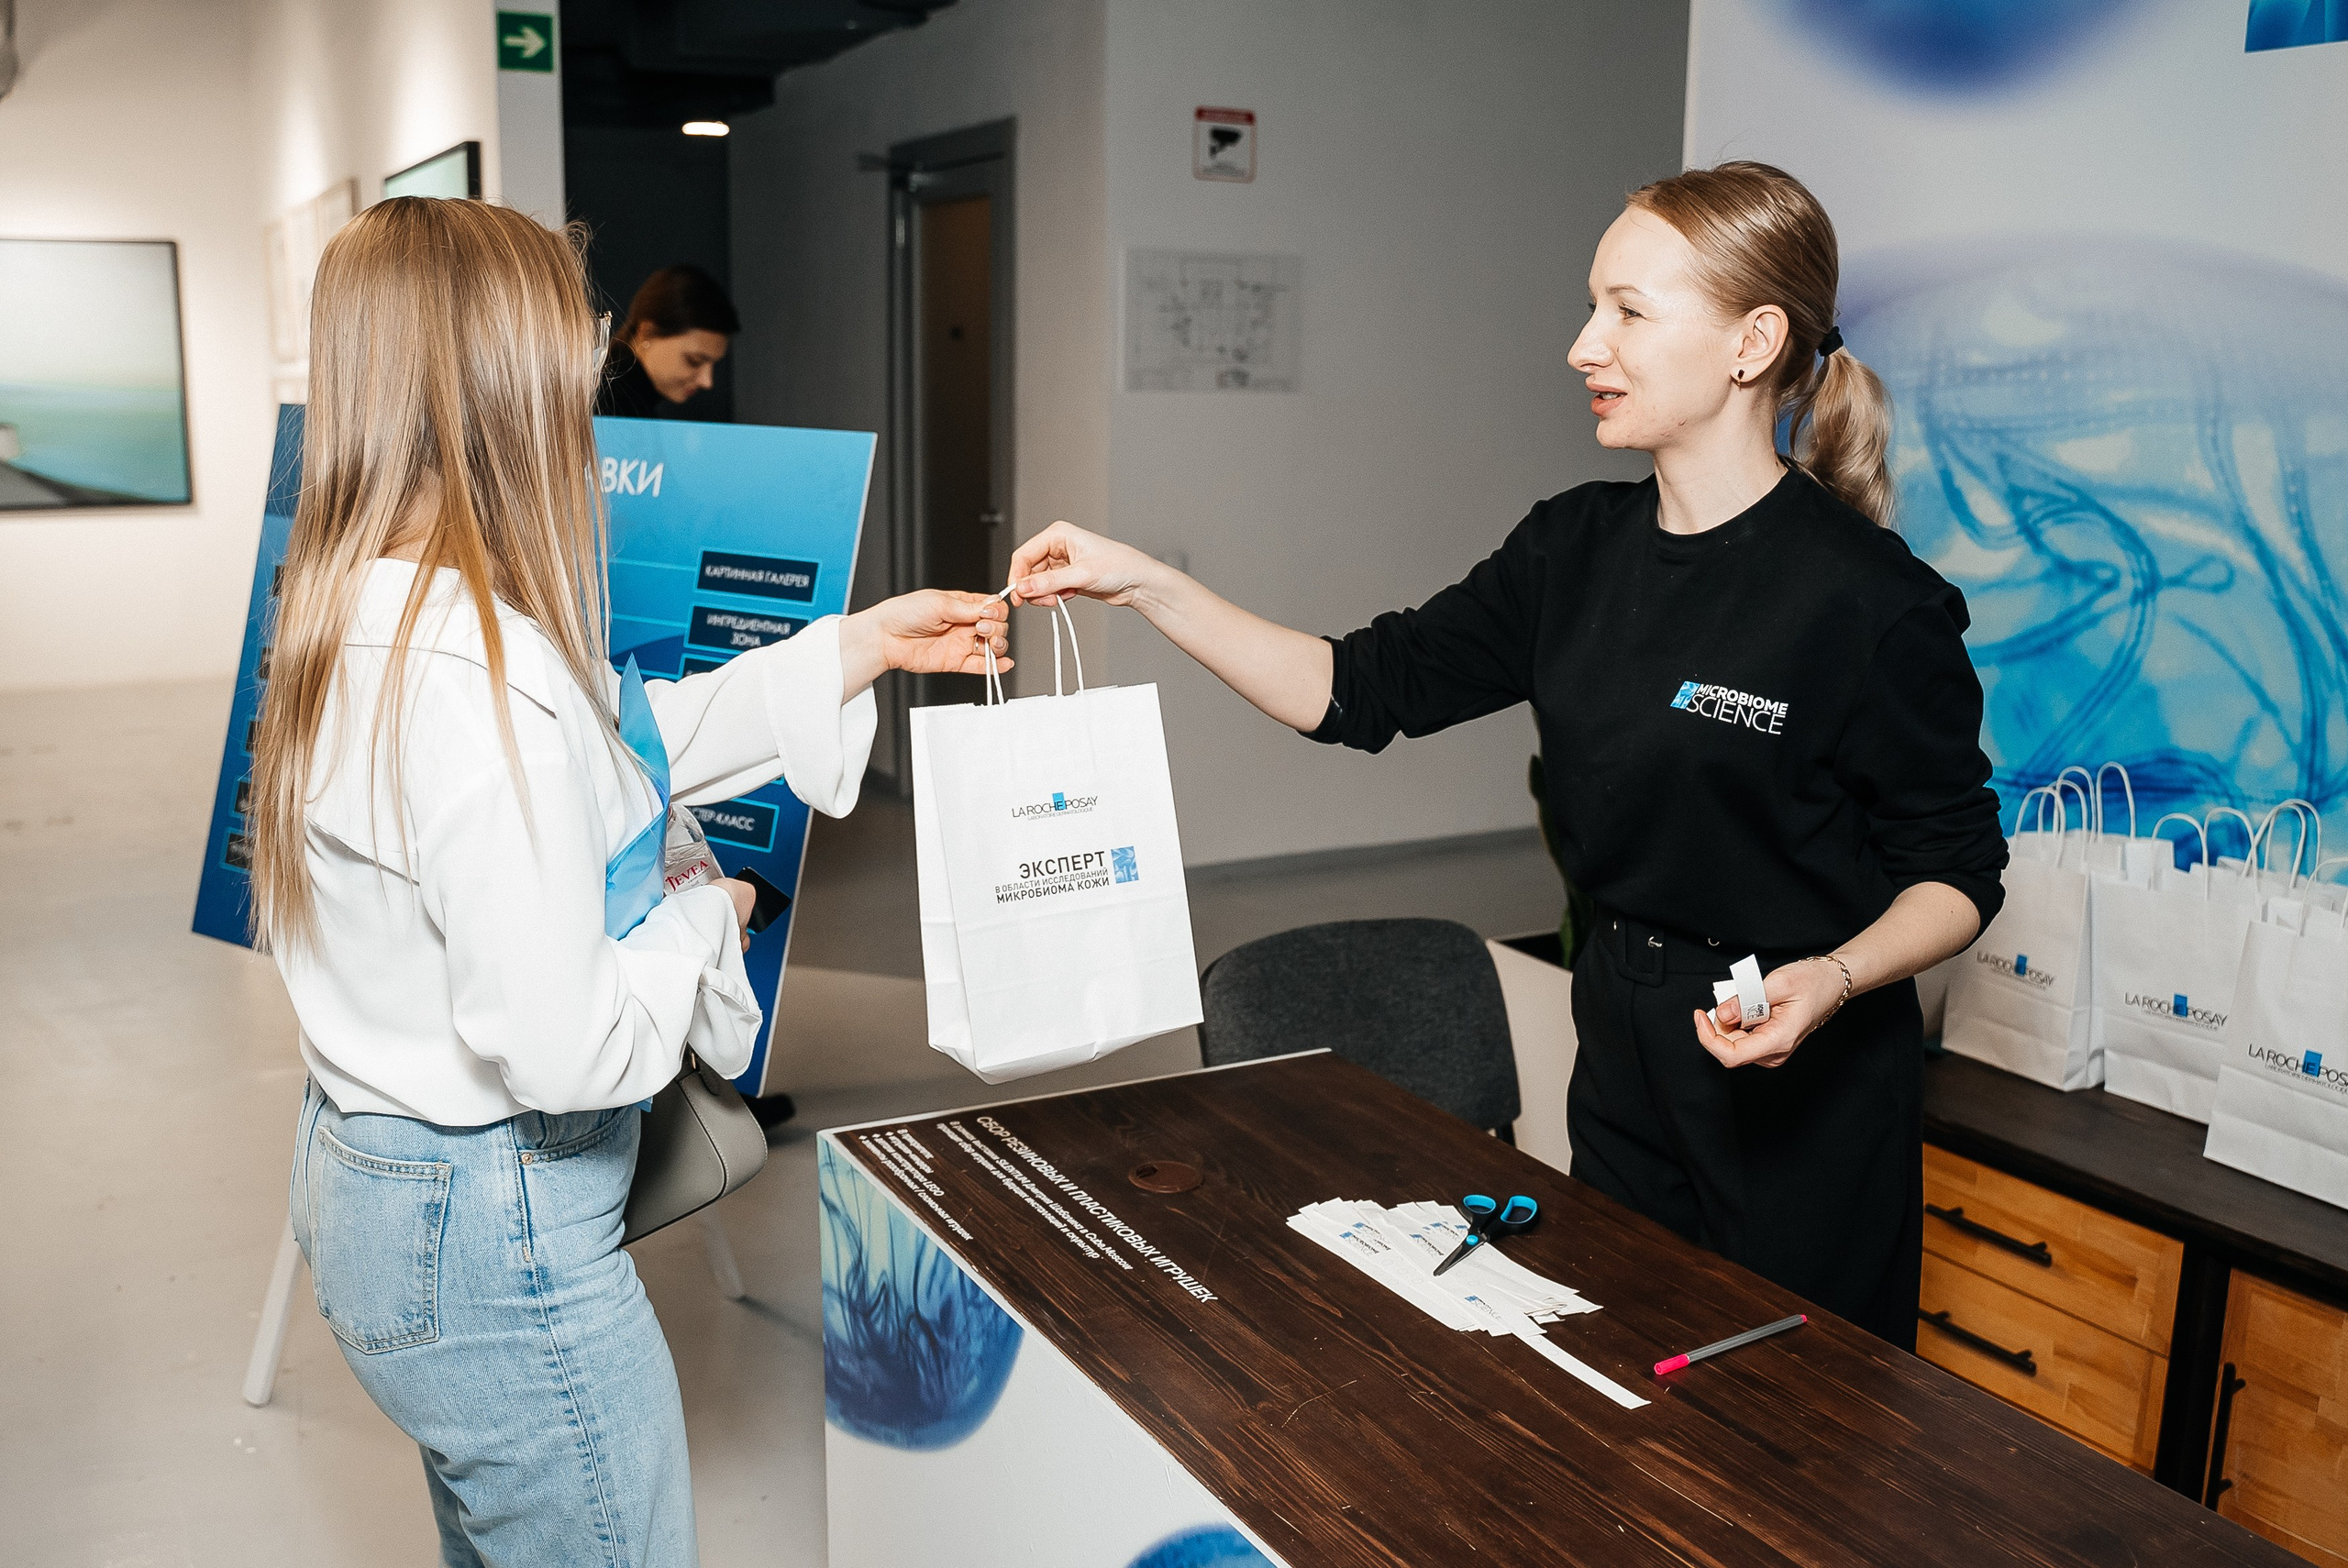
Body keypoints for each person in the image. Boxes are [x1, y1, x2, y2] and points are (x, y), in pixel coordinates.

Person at [1005, 161, 2006, 1350]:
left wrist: (1834, 976)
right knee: (1630, 1375)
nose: (1587, 342)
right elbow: (1355, 690)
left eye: (1630, 310)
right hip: (1626, 1047)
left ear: (1754, 341)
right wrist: (1148, 585)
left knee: (1796, 1441)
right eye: (1594, 304)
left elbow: (1957, 870)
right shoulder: (1569, 551)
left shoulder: (1868, 602)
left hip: (1805, 1077)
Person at [246, 198, 1007, 1565]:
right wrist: (709, 918)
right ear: (501, 392)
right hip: (498, 1244)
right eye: (570, 357)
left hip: (369, 1190)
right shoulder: (482, 678)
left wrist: (860, 646)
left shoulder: (360, 606)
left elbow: (624, 745)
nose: (589, 388)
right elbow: (567, 1042)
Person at [595, 263, 737, 418]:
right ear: (646, 331)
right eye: (694, 360)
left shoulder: (619, 400)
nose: (707, 381)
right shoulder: (610, 406)